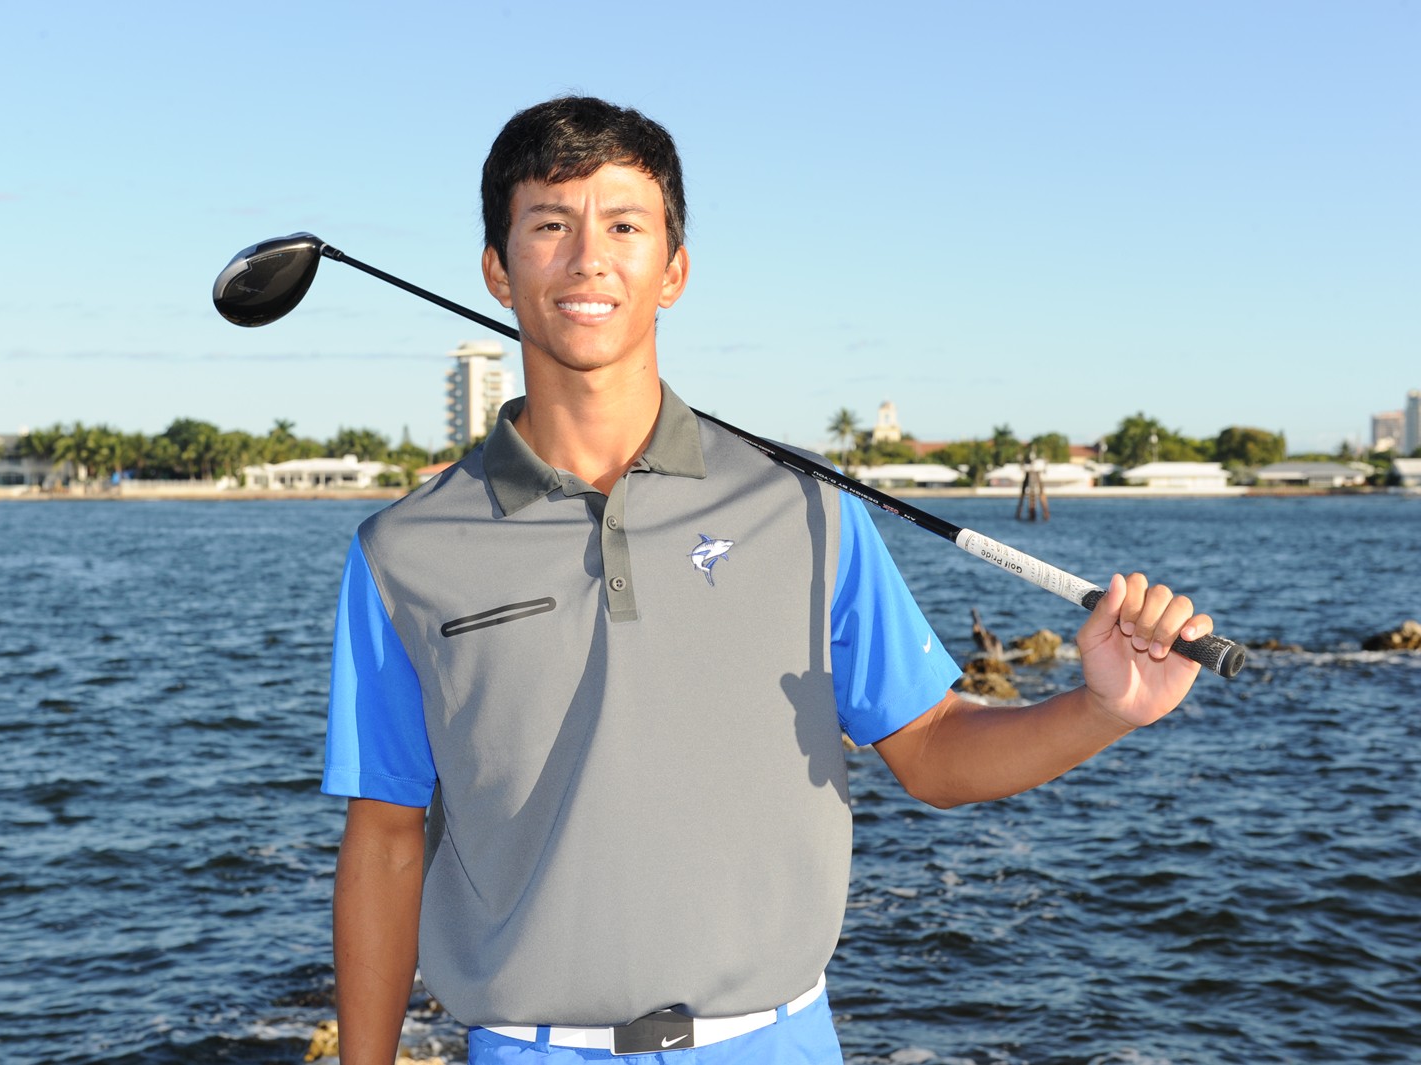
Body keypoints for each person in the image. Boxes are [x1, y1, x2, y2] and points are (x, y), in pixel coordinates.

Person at [323, 96, 1214, 1065]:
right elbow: (385, 840)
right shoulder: (402, 552)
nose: (587, 259)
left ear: (674, 271)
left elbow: (931, 749)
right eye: (549, 224)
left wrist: (1100, 709)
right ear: (498, 269)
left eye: (624, 226)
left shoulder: (805, 503)